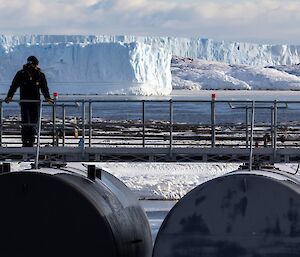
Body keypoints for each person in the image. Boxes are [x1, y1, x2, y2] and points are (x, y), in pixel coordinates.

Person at [5, 56, 53, 147]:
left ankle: (31, 142)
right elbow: (14, 86)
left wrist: (47, 97)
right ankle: (25, 142)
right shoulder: (21, 74)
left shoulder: (40, 75)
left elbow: (44, 88)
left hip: (35, 103)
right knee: (26, 123)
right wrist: (9, 96)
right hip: (25, 103)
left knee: (33, 123)